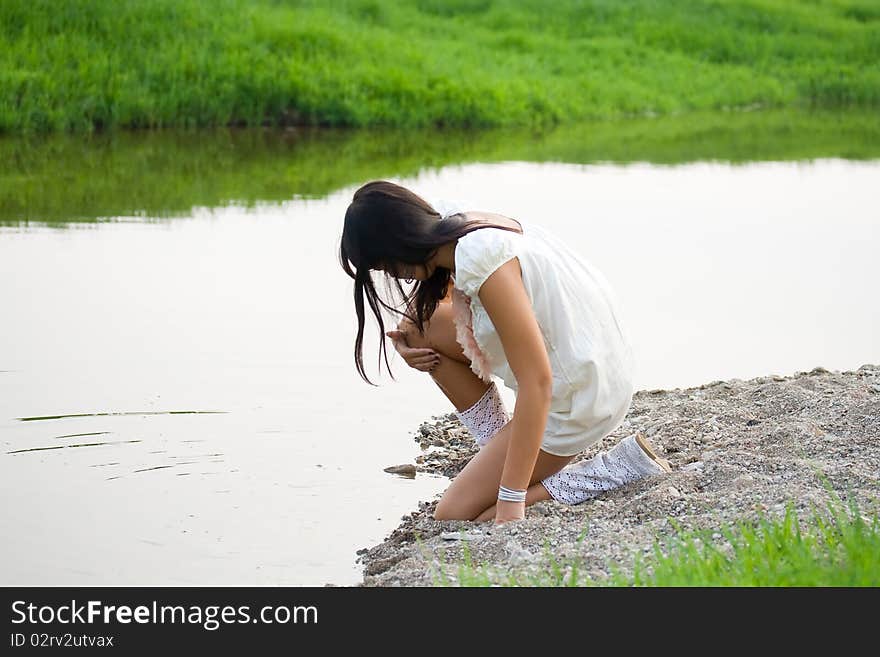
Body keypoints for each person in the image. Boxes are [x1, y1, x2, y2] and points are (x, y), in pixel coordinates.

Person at [339, 180, 671, 525]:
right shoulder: (454, 221)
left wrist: (512, 499)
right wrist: (406, 345)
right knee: (418, 327)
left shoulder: (482, 261)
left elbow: (538, 382)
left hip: (579, 397)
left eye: (384, 264)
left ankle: (617, 468)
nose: (392, 274)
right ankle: (499, 446)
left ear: (398, 241)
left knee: (455, 515)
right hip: (592, 354)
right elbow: (427, 315)